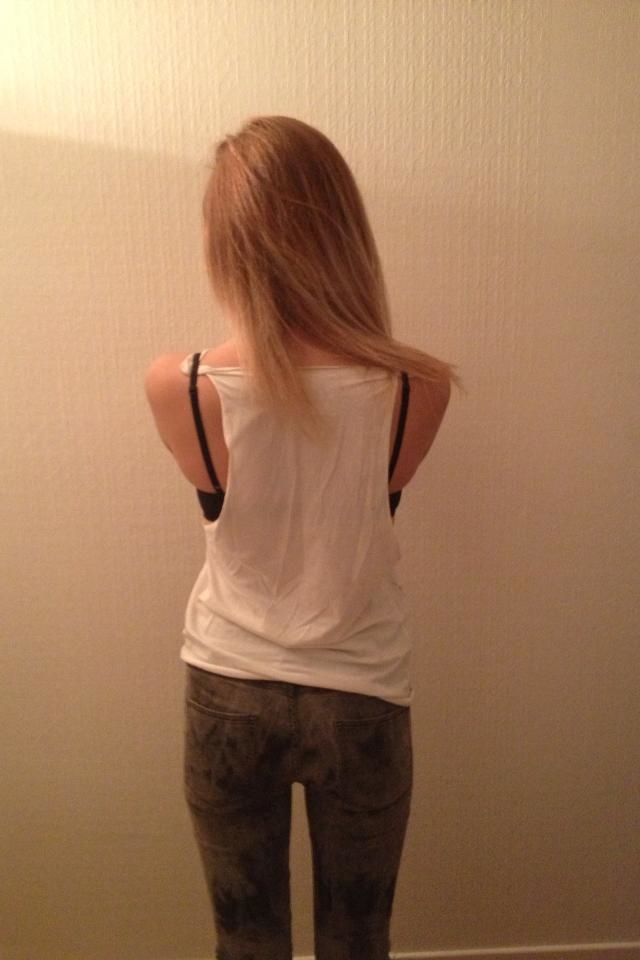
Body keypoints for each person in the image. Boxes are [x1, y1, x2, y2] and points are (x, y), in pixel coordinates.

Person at [144, 116, 459, 960]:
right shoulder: (417, 387)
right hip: (361, 695)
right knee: (360, 941)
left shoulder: (180, 385)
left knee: (245, 942)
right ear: (344, 233)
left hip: (227, 690)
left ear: (226, 244)